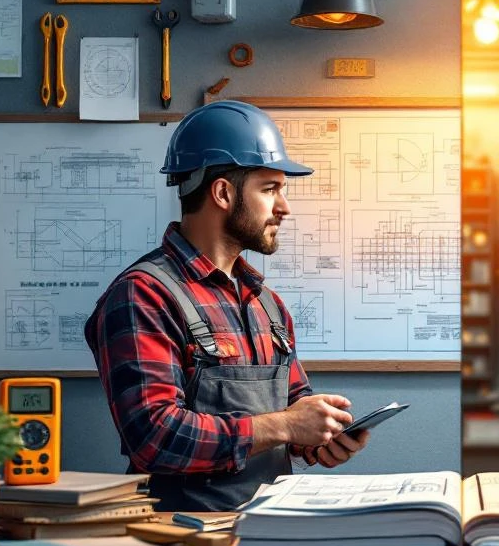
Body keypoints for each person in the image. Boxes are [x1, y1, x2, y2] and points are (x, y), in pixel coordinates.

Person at [85, 101, 368, 511]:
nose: (284, 207)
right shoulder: (143, 295)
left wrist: (322, 438)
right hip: (179, 539)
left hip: (270, 528)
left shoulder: (266, 304)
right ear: (222, 193)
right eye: (270, 189)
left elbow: (292, 412)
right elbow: (153, 437)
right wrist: (287, 425)